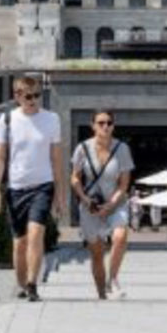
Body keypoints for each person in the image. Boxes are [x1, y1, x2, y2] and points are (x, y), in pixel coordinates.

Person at [0, 74, 64, 302]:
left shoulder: (52, 119)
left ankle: (32, 284)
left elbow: (56, 159)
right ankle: (22, 284)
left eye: (37, 96)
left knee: (35, 234)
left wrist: (60, 195)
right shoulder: (7, 120)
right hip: (16, 188)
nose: (33, 101)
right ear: (17, 96)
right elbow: (0, 157)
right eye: (29, 96)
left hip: (42, 185)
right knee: (19, 243)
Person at [70, 109, 134, 299]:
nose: (105, 126)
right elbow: (75, 178)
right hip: (91, 206)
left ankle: (112, 279)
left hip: (115, 202)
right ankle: (101, 294)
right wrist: (84, 198)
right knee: (97, 253)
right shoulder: (82, 148)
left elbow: (124, 183)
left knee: (120, 236)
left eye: (109, 123)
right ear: (93, 126)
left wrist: (112, 204)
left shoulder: (121, 148)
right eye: (101, 123)